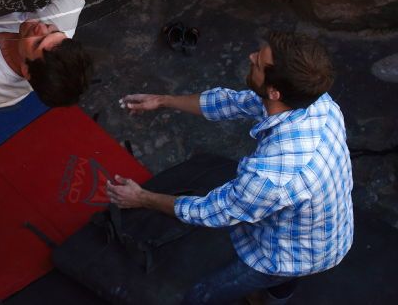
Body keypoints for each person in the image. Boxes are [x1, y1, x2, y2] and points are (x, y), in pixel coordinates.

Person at [108, 31, 353, 304]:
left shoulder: (269, 178)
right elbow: (230, 102)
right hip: (329, 231)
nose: (250, 57)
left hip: (288, 255)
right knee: (280, 284)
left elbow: (206, 212)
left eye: (258, 62)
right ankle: (276, 295)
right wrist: (163, 100)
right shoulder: (318, 102)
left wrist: (141, 197)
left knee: (201, 295)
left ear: (274, 91)